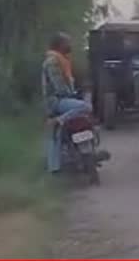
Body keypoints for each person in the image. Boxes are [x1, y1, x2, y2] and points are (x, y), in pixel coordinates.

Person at [43, 32, 93, 173]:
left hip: (60, 99)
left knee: (56, 136)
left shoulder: (61, 60)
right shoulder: (53, 61)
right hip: (56, 100)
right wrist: (71, 95)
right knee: (85, 107)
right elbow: (58, 85)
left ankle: (54, 168)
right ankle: (60, 119)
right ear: (59, 45)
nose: (70, 45)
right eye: (67, 42)